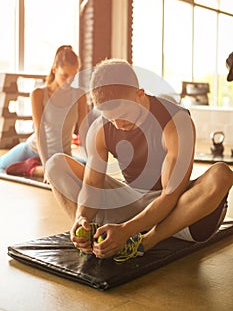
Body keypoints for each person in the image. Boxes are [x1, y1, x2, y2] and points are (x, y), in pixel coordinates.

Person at [45, 58, 233, 262]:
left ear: (139, 94)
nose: (117, 125)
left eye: (123, 114)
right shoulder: (100, 129)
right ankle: (95, 237)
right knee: (56, 164)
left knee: (221, 174)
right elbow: (92, 185)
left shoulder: (176, 122)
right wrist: (82, 217)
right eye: (110, 118)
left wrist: (127, 230)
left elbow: (170, 196)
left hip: (178, 214)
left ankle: (145, 242)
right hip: (133, 203)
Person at [0, 45, 88, 181]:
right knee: (1, 166)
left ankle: (33, 168)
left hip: (62, 156)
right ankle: (35, 167)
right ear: (54, 69)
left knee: (88, 170)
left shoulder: (80, 95)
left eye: (73, 76)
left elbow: (84, 130)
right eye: (65, 75)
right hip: (33, 150)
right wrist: (46, 165)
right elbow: (39, 130)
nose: (69, 81)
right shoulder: (38, 94)